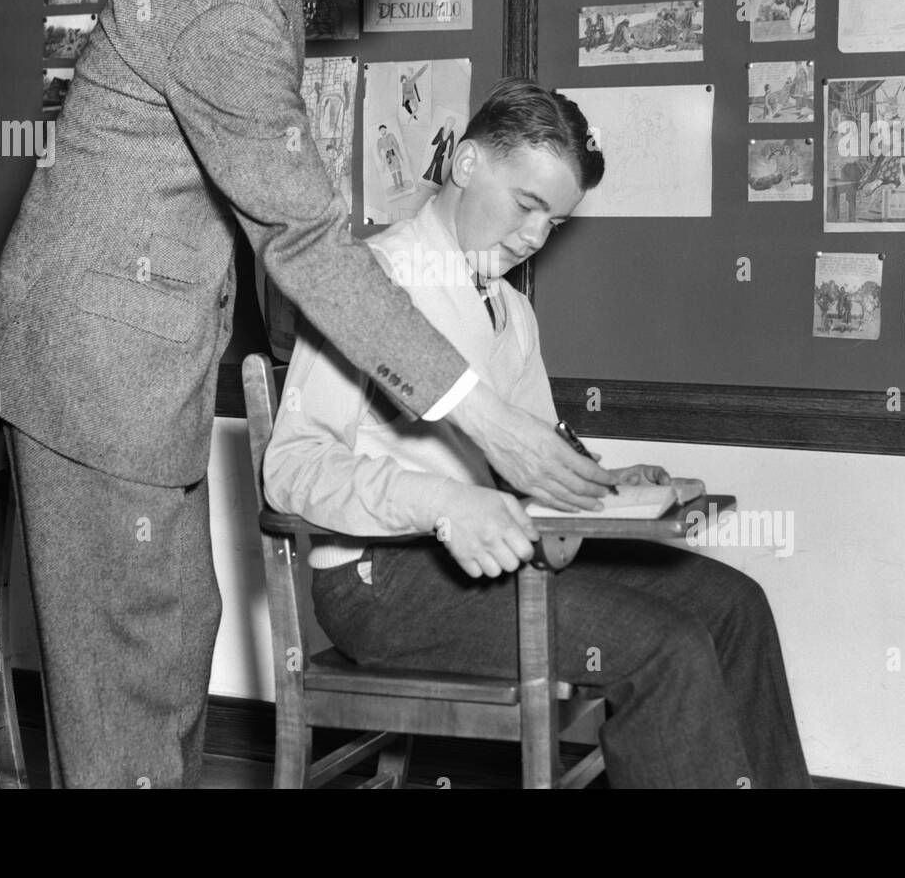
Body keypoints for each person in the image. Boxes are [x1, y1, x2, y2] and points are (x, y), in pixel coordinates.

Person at [0, 0, 612, 790]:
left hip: (138, 357)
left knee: (175, 641)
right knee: (129, 675)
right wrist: (485, 421)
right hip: (91, 366)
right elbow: (306, 237)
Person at [265, 79, 812, 789]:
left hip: (503, 552)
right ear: (465, 164)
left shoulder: (514, 311)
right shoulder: (370, 279)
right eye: (526, 204)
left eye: (551, 221)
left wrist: (606, 483)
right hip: (383, 581)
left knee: (736, 606)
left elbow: (536, 454)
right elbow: (292, 468)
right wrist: (441, 501)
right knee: (665, 647)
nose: (532, 235)